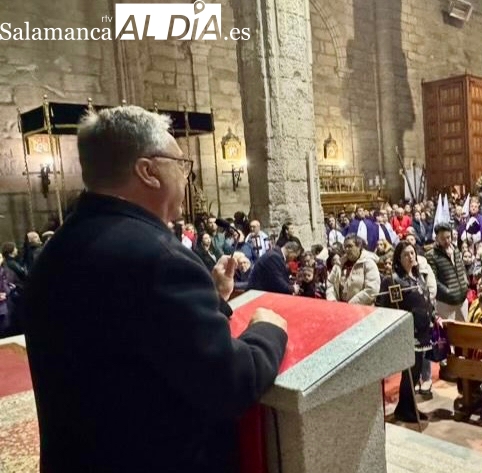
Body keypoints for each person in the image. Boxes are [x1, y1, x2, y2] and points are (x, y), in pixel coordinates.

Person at [22, 106, 289, 472]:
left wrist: (211, 297)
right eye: (180, 164)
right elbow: (231, 382)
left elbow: (132, 334)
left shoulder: (57, 248)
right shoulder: (159, 258)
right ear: (148, 171)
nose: (186, 177)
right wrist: (268, 330)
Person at [377, 241, 434, 423]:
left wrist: (433, 316)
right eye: (405, 255)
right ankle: (404, 409)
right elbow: (384, 306)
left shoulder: (417, 277)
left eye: (412, 253)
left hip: (423, 331)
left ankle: (409, 406)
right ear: (398, 259)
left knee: (416, 373)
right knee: (410, 373)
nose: (410, 257)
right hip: (409, 332)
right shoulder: (393, 280)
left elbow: (425, 299)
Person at [426, 223, 469, 321]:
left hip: (462, 299)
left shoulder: (455, 249)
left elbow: (461, 268)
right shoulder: (431, 255)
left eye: (448, 237)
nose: (446, 241)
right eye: (442, 238)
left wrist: (465, 284)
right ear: (436, 238)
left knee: (464, 331)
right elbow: (433, 280)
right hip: (446, 303)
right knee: (448, 333)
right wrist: (448, 292)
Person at [326, 234, 380, 305]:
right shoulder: (339, 264)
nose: (347, 249)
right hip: (340, 308)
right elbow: (330, 283)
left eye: (350, 246)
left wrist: (351, 304)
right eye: (345, 247)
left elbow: (372, 290)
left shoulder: (368, 263)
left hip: (362, 308)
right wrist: (332, 301)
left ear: (359, 246)